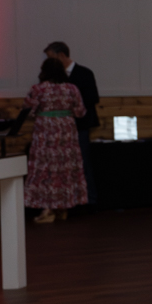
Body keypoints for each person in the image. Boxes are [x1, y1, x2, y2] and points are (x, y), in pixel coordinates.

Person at [22, 57, 87, 222]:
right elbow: (80, 112)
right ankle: (63, 207)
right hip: (67, 132)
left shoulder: (38, 89)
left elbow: (28, 110)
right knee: (66, 168)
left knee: (46, 169)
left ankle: (48, 210)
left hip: (46, 132)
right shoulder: (72, 88)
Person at [44, 42, 99, 205]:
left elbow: (93, 98)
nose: (50, 62)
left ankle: (90, 201)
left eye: (52, 58)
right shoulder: (52, 77)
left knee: (83, 163)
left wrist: (69, 106)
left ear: (61, 55)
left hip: (80, 126)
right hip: (59, 129)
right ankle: (68, 201)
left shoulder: (84, 73)